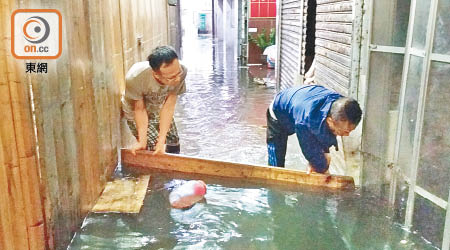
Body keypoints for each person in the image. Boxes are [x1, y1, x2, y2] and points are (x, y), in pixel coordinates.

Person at [266, 85, 362, 174]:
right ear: (330, 121)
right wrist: (317, 164)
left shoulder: (341, 106)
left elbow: (324, 135)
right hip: (278, 113)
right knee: (276, 165)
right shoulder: (304, 122)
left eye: (350, 131)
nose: (347, 135)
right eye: (345, 131)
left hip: (302, 101)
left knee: (321, 162)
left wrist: (324, 154)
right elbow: (310, 150)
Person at [122, 46, 187, 155]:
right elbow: (140, 110)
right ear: (156, 74)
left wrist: (161, 141)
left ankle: (173, 165)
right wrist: (142, 140)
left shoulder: (182, 71)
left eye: (178, 73)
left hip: (157, 105)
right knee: (151, 147)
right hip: (136, 110)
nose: (177, 79)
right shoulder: (135, 77)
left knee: (173, 140)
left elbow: (169, 106)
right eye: (171, 77)